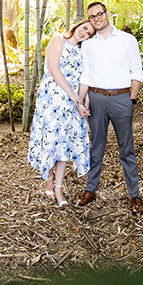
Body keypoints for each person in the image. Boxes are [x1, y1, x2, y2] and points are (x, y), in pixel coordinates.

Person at [77, 2, 143, 213]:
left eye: (99, 14)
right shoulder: (88, 44)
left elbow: (137, 71)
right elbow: (86, 75)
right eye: (92, 17)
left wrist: (131, 100)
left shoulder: (127, 40)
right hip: (96, 98)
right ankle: (91, 189)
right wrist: (81, 100)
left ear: (107, 14)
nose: (96, 18)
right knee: (96, 146)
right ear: (89, 20)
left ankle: (134, 195)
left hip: (121, 98)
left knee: (126, 149)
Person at [28, 18, 94, 206]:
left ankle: (57, 189)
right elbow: (53, 69)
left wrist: (83, 103)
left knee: (65, 144)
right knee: (51, 141)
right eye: (84, 28)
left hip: (72, 103)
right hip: (53, 98)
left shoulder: (83, 52)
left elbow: (85, 79)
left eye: (89, 33)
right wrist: (74, 96)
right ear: (78, 25)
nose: (85, 33)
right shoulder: (58, 40)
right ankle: (49, 181)